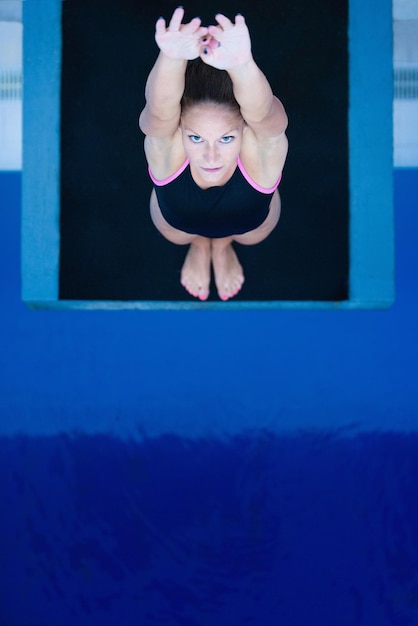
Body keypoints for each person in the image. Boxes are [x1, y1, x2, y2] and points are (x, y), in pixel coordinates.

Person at [139, 7, 288, 301]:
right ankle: (200, 245)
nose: (211, 157)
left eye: (226, 138)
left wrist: (243, 65)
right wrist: (170, 57)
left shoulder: (261, 144)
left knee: (235, 234)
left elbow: (264, 113)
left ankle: (219, 246)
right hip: (180, 227)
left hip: (246, 228)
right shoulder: (167, 143)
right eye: (195, 137)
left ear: (245, 130)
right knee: (186, 234)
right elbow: (159, 111)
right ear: (179, 129)